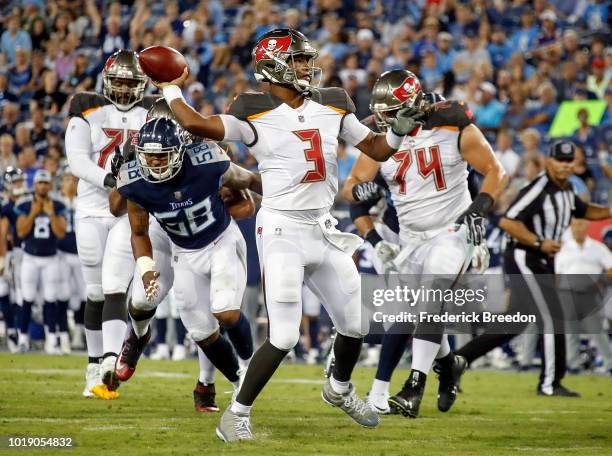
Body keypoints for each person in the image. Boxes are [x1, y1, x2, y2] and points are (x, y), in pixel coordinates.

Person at [156, 28, 426, 441]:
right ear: (274, 64)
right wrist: (171, 87)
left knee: (354, 325)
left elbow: (376, 149)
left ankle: (338, 389)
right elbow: (196, 122)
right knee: (283, 335)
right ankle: (236, 414)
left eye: (306, 59)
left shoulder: (334, 102)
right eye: (298, 60)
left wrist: (397, 132)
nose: (307, 67)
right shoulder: (252, 108)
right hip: (281, 228)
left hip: (323, 228)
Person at [343, 70, 507, 418]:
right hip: (410, 238)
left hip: (453, 229)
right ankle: (448, 367)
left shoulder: (452, 126)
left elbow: (496, 171)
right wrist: (361, 190)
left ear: (414, 104)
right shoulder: (381, 138)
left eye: (393, 110)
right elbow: (352, 185)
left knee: (432, 293)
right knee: (413, 314)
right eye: (382, 110)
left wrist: (480, 209)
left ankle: (413, 386)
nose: (385, 118)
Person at [111, 99, 255, 413]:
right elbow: (128, 220)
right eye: (149, 155)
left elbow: (247, 194)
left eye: (162, 155)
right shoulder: (135, 176)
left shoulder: (208, 158)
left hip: (217, 239)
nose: (156, 163)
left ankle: (244, 371)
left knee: (225, 311)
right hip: (176, 244)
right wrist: (146, 266)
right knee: (194, 325)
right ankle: (238, 381)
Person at [456, 141, 611, 396]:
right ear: (549, 161)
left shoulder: (567, 189)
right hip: (524, 256)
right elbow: (508, 221)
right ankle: (550, 383)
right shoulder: (538, 188)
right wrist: (539, 242)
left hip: (540, 259)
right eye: (559, 160)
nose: (564, 166)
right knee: (553, 316)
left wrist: (608, 210)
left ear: (575, 163)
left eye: (568, 161)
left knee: (514, 322)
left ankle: (457, 361)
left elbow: (584, 210)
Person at [65, 49, 153, 400]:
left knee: (116, 284)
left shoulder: (151, 112)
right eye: (117, 80)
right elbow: (77, 161)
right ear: (106, 80)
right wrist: (111, 181)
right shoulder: (86, 107)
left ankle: (110, 360)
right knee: (95, 291)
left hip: (126, 211)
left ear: (141, 84)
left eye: (130, 82)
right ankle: (93, 366)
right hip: (90, 207)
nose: (123, 88)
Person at [15, 169, 66, 355]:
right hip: (29, 258)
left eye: (46, 183)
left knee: (50, 300)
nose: (43, 186)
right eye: (40, 183)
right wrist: (33, 213)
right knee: (26, 299)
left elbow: (61, 233)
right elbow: (20, 232)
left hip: (51, 258)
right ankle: (22, 339)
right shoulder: (25, 204)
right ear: (35, 185)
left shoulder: (58, 205)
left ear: (50, 185)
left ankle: (52, 341)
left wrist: (51, 214)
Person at [556, 218, 612, 375]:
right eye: (574, 225)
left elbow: (610, 268)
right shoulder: (563, 249)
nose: (577, 229)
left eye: (580, 224)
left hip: (589, 293)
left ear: (587, 226)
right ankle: (572, 364)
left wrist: (600, 282)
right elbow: (557, 273)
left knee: (596, 330)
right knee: (569, 331)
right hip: (566, 292)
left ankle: (609, 363)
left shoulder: (597, 248)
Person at [56, 167, 87, 352]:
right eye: (68, 179)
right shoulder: (55, 201)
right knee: (62, 294)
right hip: (60, 254)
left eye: (75, 179)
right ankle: (61, 334)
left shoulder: (84, 199)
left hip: (81, 253)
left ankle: (78, 331)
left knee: (84, 295)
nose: (72, 183)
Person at [0, 167, 27, 352]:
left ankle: (18, 332)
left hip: (26, 251)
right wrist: (2, 258)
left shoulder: (28, 202)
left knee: (22, 294)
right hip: (10, 253)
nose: (18, 185)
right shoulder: (7, 207)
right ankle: (11, 330)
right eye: (15, 182)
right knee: (4, 291)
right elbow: (2, 234)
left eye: (20, 181)